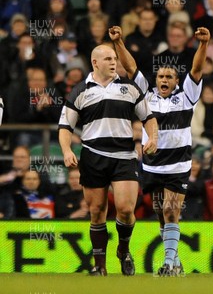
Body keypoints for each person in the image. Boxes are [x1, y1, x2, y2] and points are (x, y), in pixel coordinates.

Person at [109, 25, 209, 276]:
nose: (164, 80)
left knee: (171, 209)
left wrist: (203, 44)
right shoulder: (146, 95)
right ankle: (175, 261)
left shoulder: (187, 95)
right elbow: (131, 68)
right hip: (152, 164)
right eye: (161, 77)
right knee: (161, 215)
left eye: (169, 77)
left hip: (178, 164)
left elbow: (196, 69)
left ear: (177, 81)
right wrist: (119, 42)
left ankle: (167, 264)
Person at [58, 42, 158, 276]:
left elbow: (149, 118)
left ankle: (123, 250)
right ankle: (99, 266)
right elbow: (65, 126)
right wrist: (66, 151)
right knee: (97, 211)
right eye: (108, 59)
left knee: (125, 209)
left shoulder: (130, 88)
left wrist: (152, 138)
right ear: (95, 63)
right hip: (93, 156)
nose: (114, 62)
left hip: (124, 155)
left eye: (115, 59)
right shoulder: (80, 90)